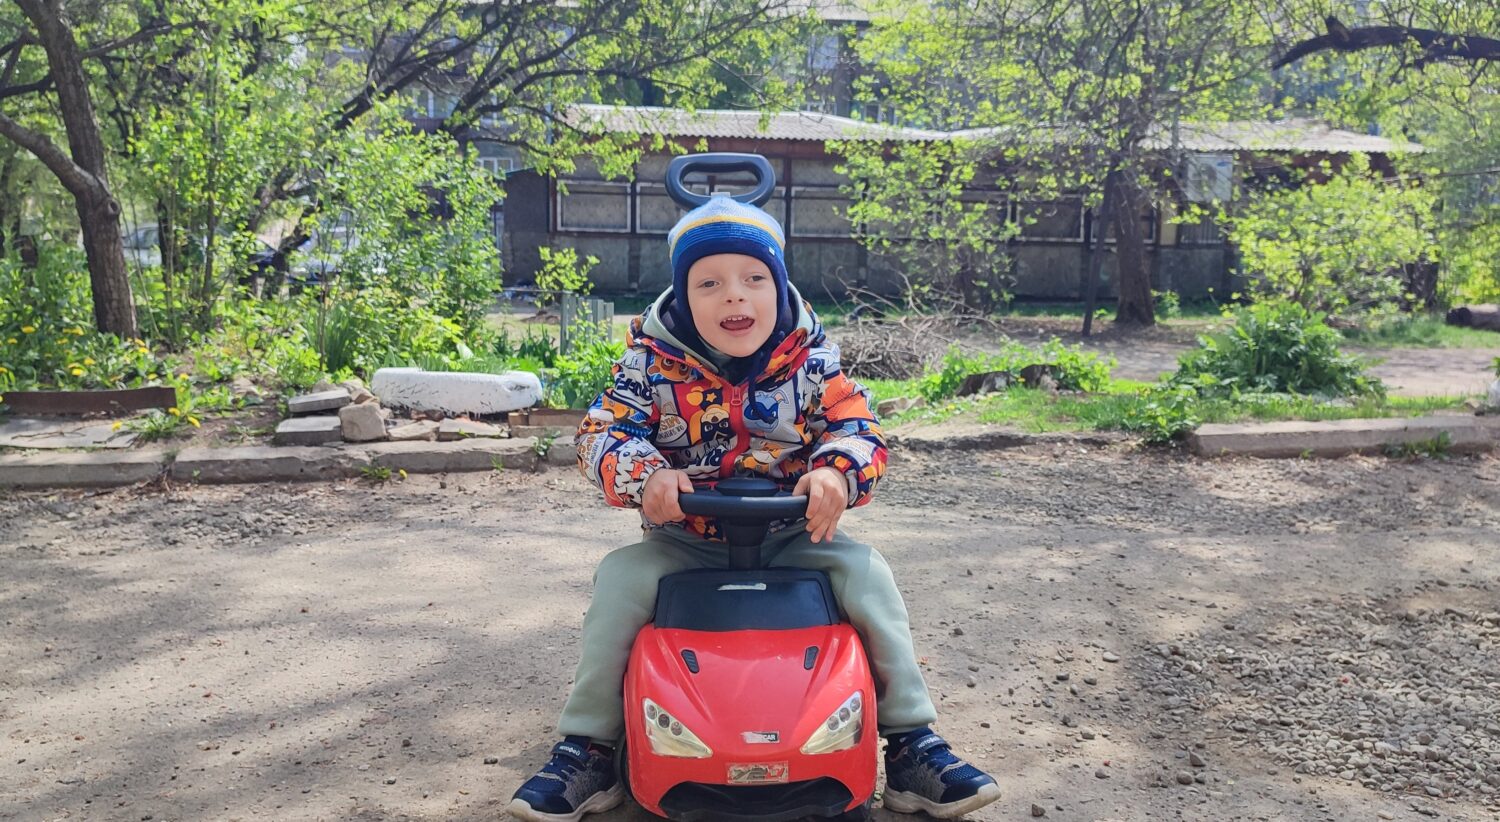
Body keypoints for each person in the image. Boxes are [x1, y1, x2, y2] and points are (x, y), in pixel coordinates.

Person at [507, 194, 1001, 822]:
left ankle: (910, 743)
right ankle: (590, 746)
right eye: (709, 283)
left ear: (779, 286)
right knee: (620, 580)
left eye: (753, 279)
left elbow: (860, 428)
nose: (734, 296)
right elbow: (600, 433)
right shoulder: (649, 365)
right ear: (684, 297)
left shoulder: (812, 365)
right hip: (685, 538)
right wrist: (645, 473)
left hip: (794, 534)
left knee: (868, 575)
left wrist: (837, 469)